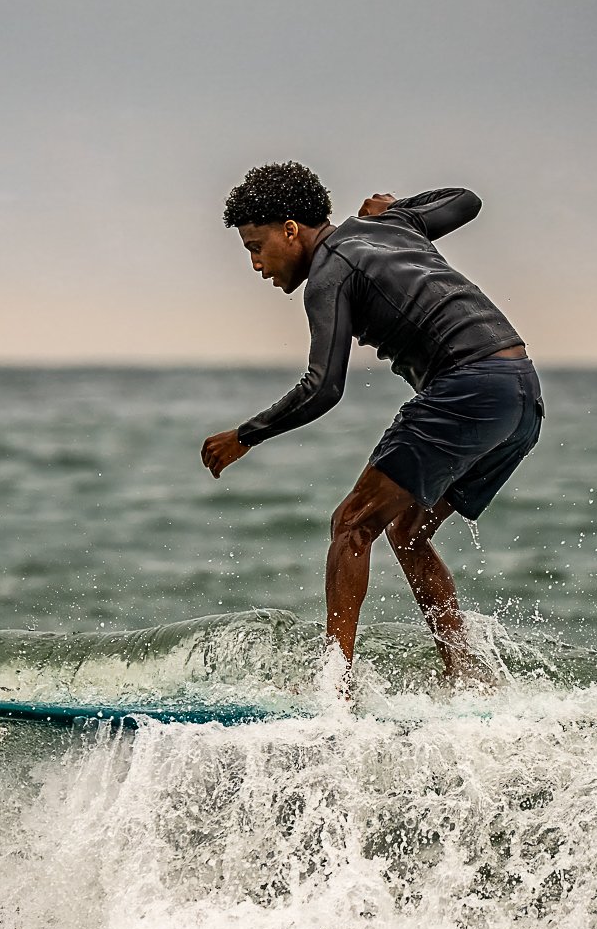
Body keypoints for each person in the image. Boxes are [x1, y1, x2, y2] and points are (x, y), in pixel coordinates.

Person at [202, 160, 543, 688]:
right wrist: (398, 210)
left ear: (290, 231)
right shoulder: (389, 227)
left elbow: (323, 387)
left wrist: (245, 435)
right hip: (521, 391)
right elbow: (466, 199)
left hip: (469, 384)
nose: (256, 264)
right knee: (407, 531)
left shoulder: (328, 273)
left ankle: (335, 688)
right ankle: (465, 675)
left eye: (255, 245)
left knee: (352, 524)